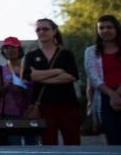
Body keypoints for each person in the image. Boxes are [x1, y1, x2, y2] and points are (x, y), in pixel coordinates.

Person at [23, 18, 80, 145]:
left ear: (54, 31)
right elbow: (30, 77)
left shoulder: (66, 54)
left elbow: (71, 76)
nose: (41, 32)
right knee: (48, 142)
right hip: (43, 104)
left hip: (67, 103)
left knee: (72, 141)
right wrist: (58, 71)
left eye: (45, 29)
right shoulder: (31, 55)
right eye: (38, 29)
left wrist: (41, 77)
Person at [85, 15, 121, 145]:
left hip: (118, 93)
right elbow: (93, 77)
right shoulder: (91, 51)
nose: (105, 30)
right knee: (113, 139)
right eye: (101, 28)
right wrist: (112, 94)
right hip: (104, 98)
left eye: (109, 27)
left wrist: (117, 94)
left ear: (116, 28)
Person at [0, 36, 34, 145]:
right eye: (6, 48)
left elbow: (36, 90)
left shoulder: (28, 67)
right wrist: (7, 87)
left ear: (19, 49)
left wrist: (23, 88)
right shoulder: (0, 69)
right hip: (9, 113)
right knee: (14, 145)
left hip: (28, 112)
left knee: (33, 146)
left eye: (13, 47)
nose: (9, 51)